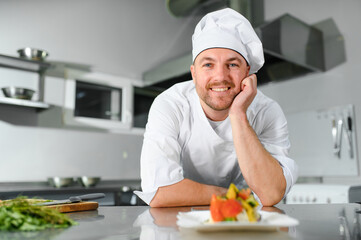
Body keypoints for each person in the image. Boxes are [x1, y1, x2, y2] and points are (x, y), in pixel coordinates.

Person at [134, 8, 298, 207]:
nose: (220, 76)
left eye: (232, 65)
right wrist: (235, 197)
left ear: (248, 71)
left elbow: (271, 193)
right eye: (208, 65)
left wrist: (238, 114)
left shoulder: (267, 113)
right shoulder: (170, 105)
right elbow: (158, 192)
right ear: (193, 73)